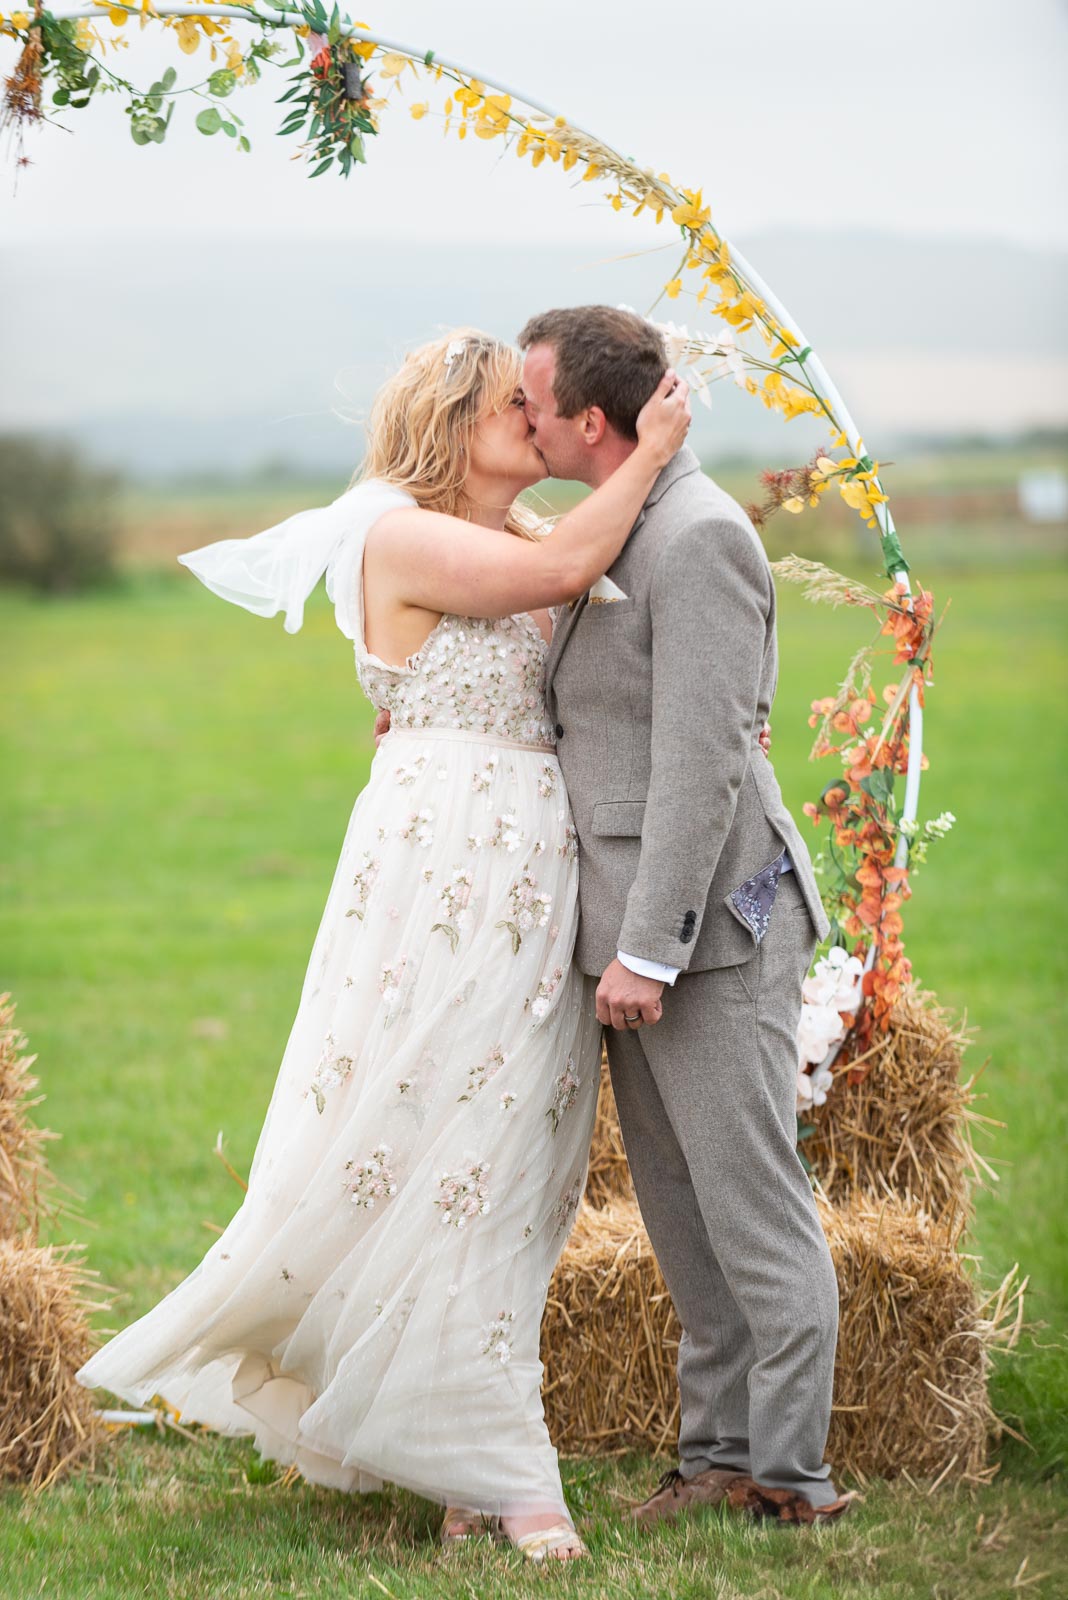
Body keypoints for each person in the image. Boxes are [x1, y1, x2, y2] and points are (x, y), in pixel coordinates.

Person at [74, 328, 692, 1565]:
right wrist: (657, 450)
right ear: (451, 424)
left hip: (529, 860)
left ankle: (454, 1452)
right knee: (445, 1137)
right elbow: (577, 560)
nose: (537, 415)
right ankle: (512, 1480)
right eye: (510, 404)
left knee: (515, 1157)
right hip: (449, 868)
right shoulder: (403, 532)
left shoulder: (497, 541)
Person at [514, 304, 854, 1527]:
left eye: (534, 406)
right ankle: (715, 1455)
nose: (522, 421)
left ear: (591, 423)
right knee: (679, 1217)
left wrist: (651, 948)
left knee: (753, 1211)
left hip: (711, 936)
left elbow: (702, 763)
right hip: (637, 941)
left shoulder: (699, 537)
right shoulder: (622, 522)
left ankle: (793, 1478)